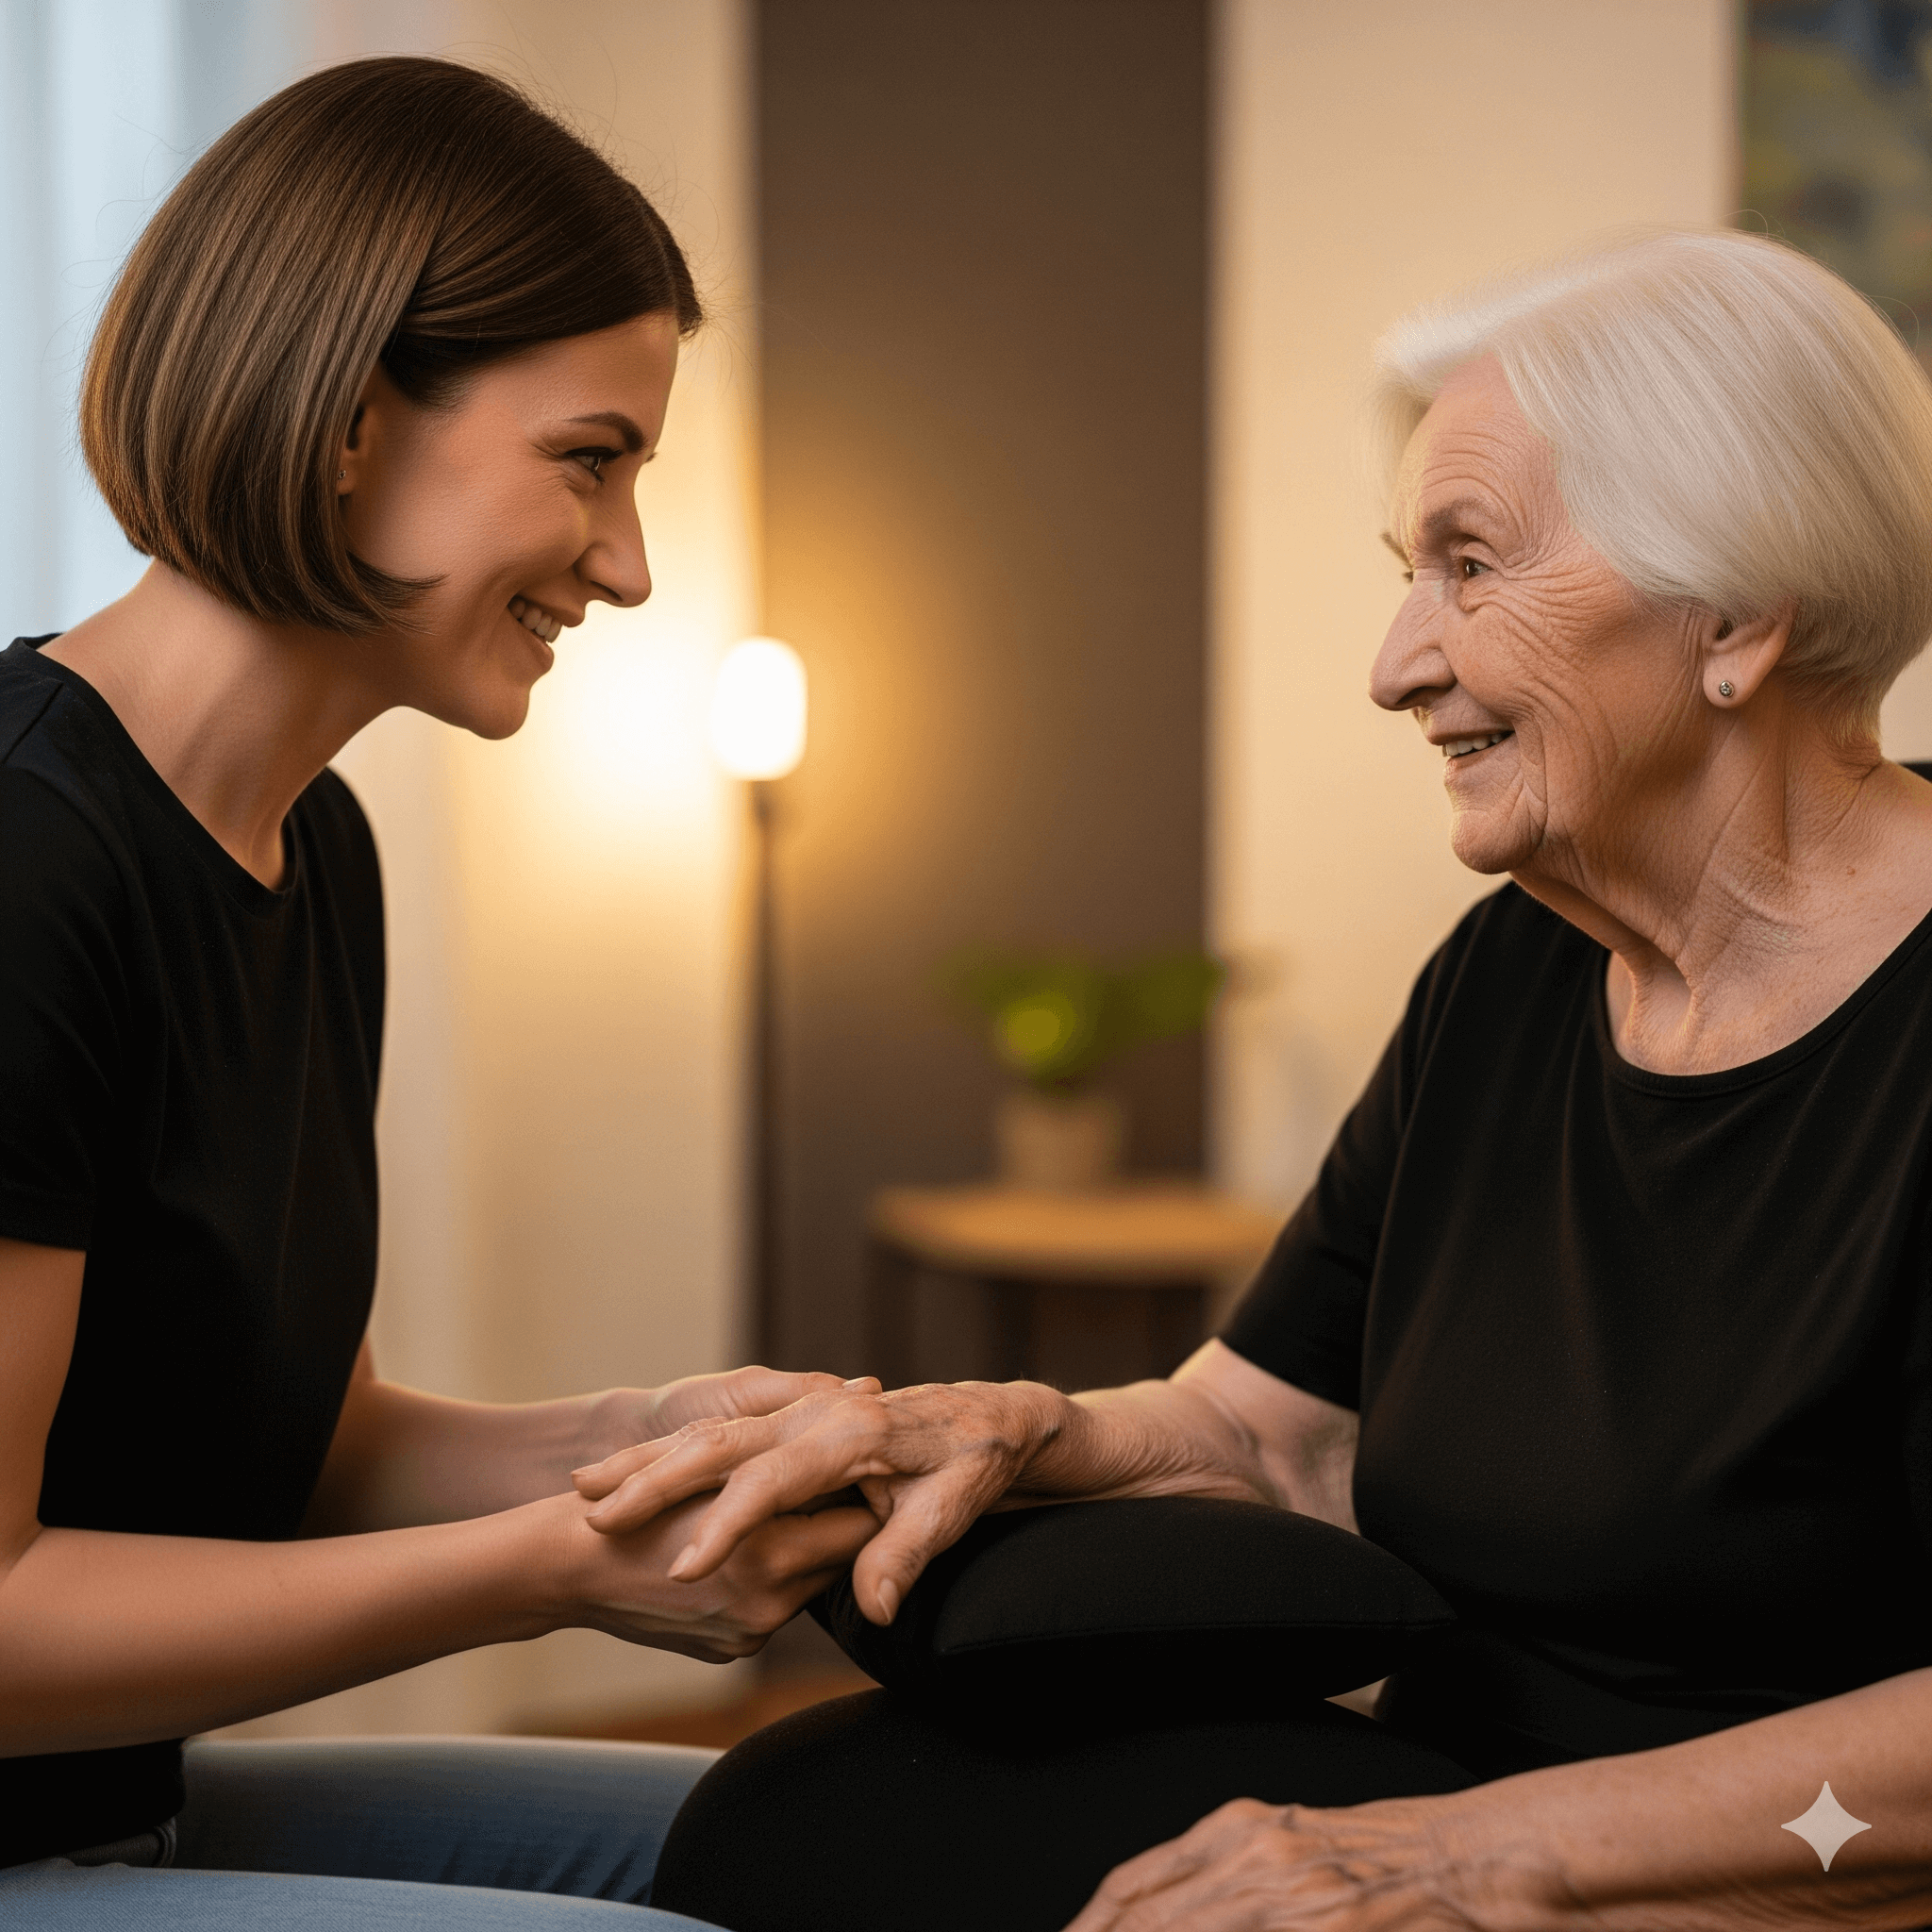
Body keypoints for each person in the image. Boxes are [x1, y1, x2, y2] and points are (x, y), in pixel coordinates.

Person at [581, 231, 1932, 1931]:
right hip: (1433, 1835)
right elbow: (1271, 1434)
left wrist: (1487, 1856)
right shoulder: (1518, 971)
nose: (1393, 662)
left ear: (1734, 613)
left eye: (1468, 565)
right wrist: (1029, 1428)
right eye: (1406, 572)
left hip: (1735, 1893)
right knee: (798, 1839)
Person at [0, 56, 877, 1928]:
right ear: (345, 422)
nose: (632, 566)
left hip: (114, 1815)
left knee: (828, 1856)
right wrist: (548, 1569)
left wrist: (634, 1442)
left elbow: (298, 1434)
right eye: (591, 460)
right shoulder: (23, 858)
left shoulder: (312, 852)